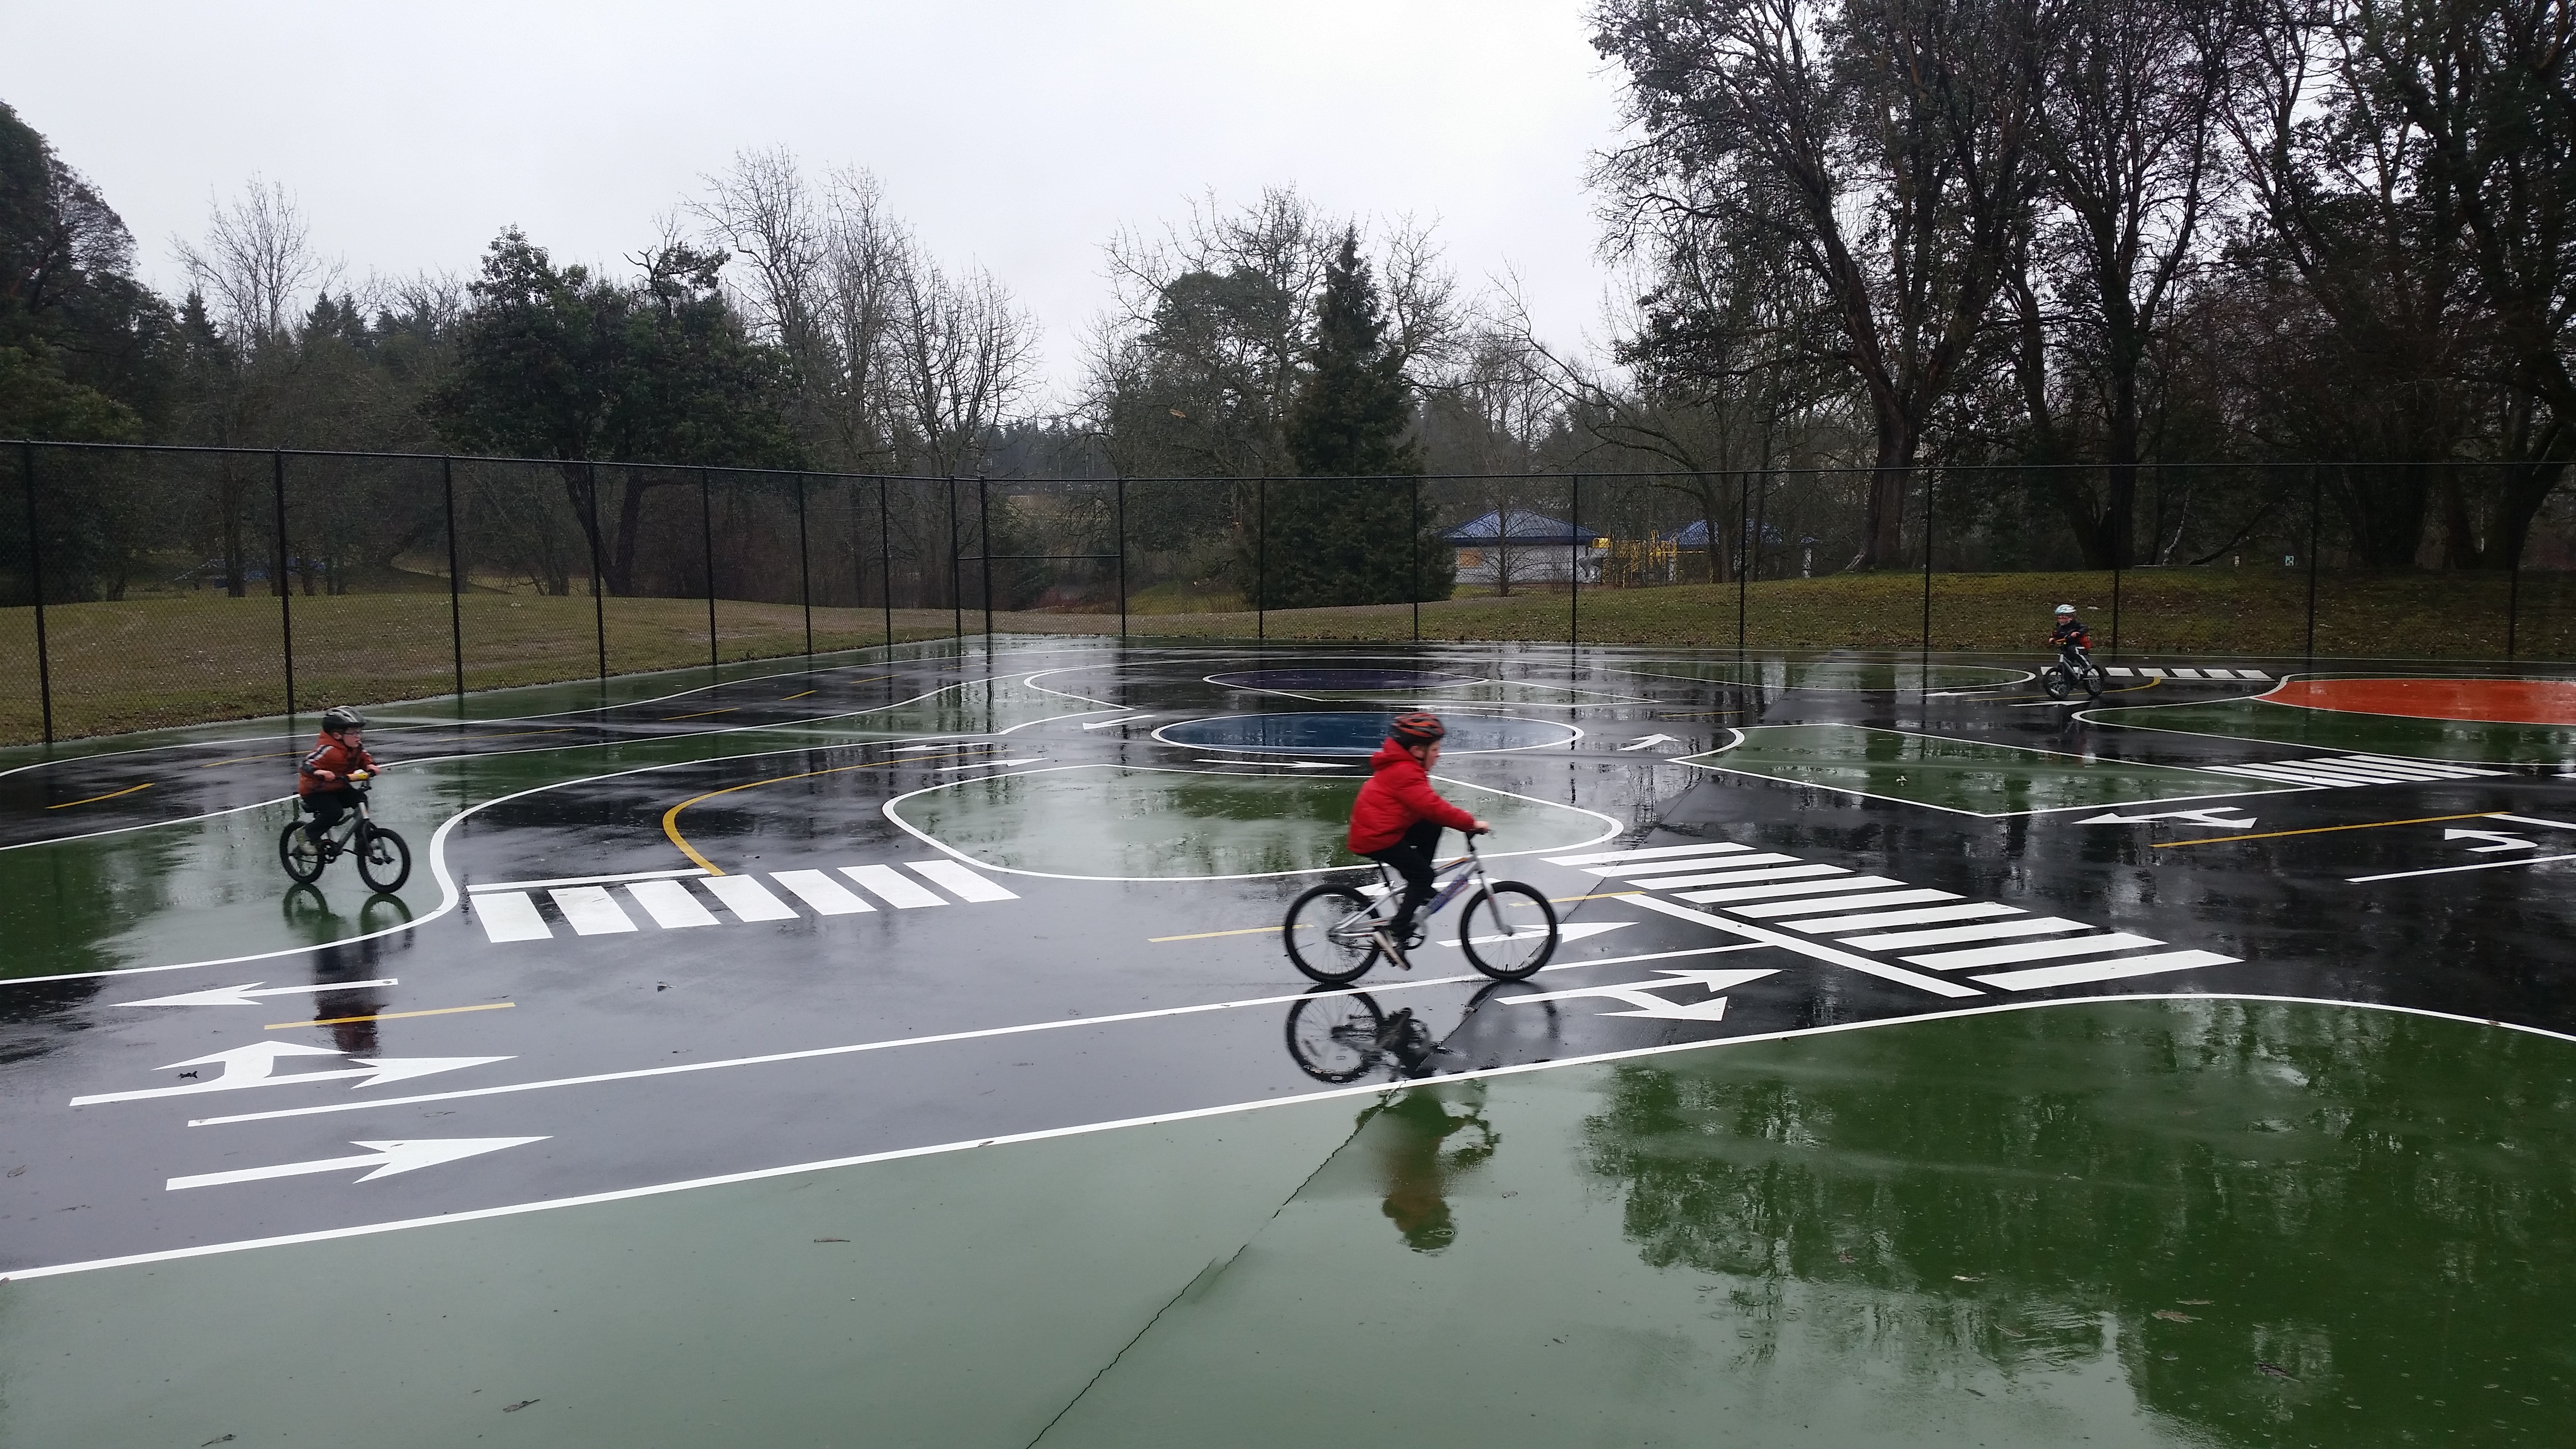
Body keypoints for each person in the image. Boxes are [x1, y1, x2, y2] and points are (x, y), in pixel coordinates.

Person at [1347, 712, 1490, 958]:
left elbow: (1430, 811)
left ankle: (1420, 889)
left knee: (1432, 826)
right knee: (1422, 876)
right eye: (1435, 749)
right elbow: (1433, 806)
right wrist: (1470, 823)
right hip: (1376, 836)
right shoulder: (1405, 772)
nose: (1439, 754)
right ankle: (1395, 931)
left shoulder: (1405, 767)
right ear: (1416, 750)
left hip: (1384, 827)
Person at [299, 706, 380, 848]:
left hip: (339, 787)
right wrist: (320, 773)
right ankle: (305, 835)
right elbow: (305, 764)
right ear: (338, 735)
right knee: (334, 812)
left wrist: (370, 766)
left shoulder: (355, 747)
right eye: (354, 733)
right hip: (316, 791)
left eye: (359, 732)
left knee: (361, 800)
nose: (358, 736)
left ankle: (362, 840)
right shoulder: (327, 750)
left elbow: (363, 756)